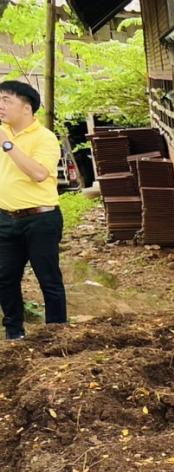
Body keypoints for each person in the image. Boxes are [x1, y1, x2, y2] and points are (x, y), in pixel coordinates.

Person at [0, 80, 65, 342]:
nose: (0, 106)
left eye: (6, 100)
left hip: (41, 218)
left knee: (48, 278)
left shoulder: (45, 138)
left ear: (26, 108)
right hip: (5, 218)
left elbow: (39, 173)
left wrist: (7, 145)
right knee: (5, 278)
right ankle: (14, 333)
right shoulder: (3, 132)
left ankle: (57, 334)